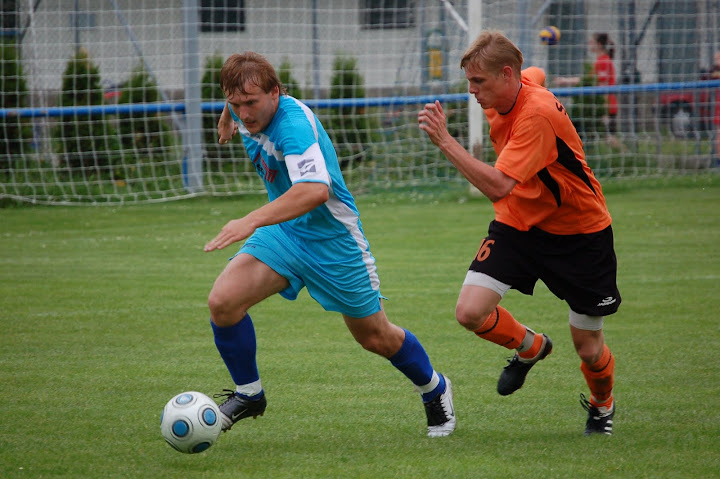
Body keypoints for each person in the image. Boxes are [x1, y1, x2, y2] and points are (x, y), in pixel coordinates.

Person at [205, 51, 455, 438]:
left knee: (375, 336)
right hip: (286, 232)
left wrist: (249, 220)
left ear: (275, 93)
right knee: (223, 302)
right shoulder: (245, 108)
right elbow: (238, 99)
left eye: (250, 103)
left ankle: (434, 387)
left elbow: (314, 191)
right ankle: (249, 395)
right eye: (235, 104)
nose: (244, 113)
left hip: (333, 240)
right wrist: (227, 116)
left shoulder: (293, 127)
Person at [418, 31, 620, 435]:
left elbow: (497, 186)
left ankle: (602, 405)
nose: (472, 91)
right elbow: (536, 73)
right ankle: (531, 346)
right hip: (519, 223)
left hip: (579, 234)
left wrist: (444, 140)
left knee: (588, 348)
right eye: (469, 81)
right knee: (469, 312)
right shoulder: (515, 85)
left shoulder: (536, 115)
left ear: (507, 75)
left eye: (479, 81)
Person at [555, 32, 621, 149]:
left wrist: (604, 109)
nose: (589, 44)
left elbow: (601, 86)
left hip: (606, 105)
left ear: (599, 45)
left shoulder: (603, 61)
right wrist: (566, 80)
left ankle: (624, 154)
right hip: (601, 104)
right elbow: (588, 80)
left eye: (591, 42)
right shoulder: (599, 61)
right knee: (606, 137)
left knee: (609, 137)